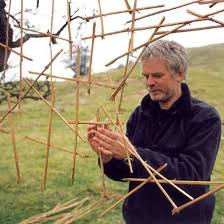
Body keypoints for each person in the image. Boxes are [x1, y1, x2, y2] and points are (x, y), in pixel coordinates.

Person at [87, 40, 221, 224]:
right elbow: (127, 173)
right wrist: (108, 156)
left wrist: (133, 153)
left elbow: (192, 176)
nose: (149, 82)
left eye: (157, 75)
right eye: (146, 75)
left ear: (180, 74)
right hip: (138, 218)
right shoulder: (140, 114)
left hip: (184, 218)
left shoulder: (204, 118)